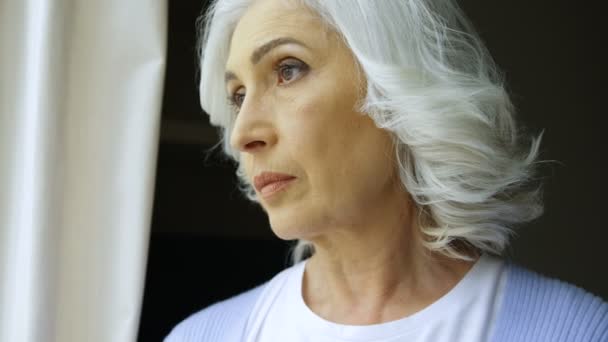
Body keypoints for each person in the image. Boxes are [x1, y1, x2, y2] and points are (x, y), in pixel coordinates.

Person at [165, 0, 608, 341]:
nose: (243, 133)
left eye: (288, 69)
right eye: (238, 95)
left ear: (396, 91)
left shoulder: (576, 331)